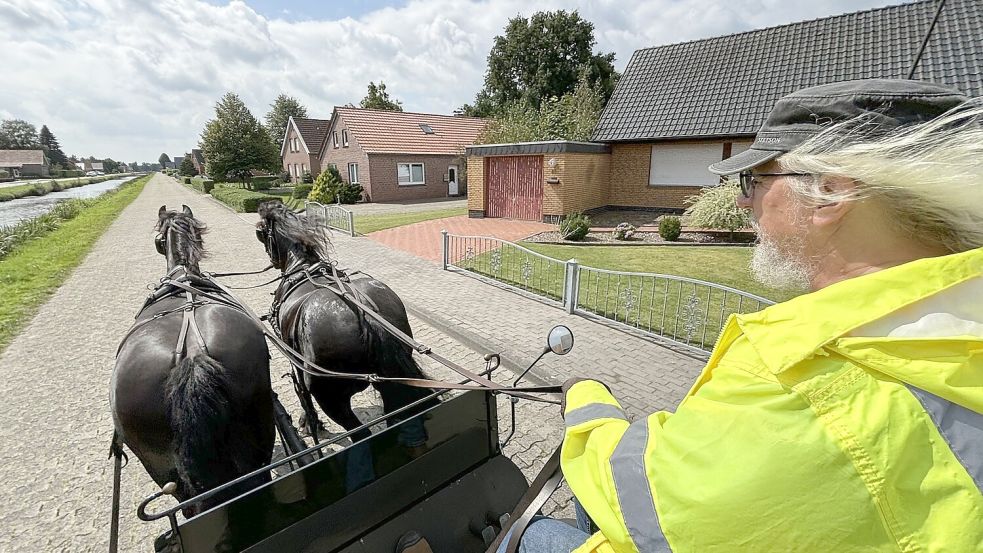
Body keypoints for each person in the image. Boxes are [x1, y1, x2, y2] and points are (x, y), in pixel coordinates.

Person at [499, 79, 983, 552]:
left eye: (755, 180)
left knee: (522, 536)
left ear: (830, 194)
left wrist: (586, 399)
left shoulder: (800, 380)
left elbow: (640, 499)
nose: (741, 200)